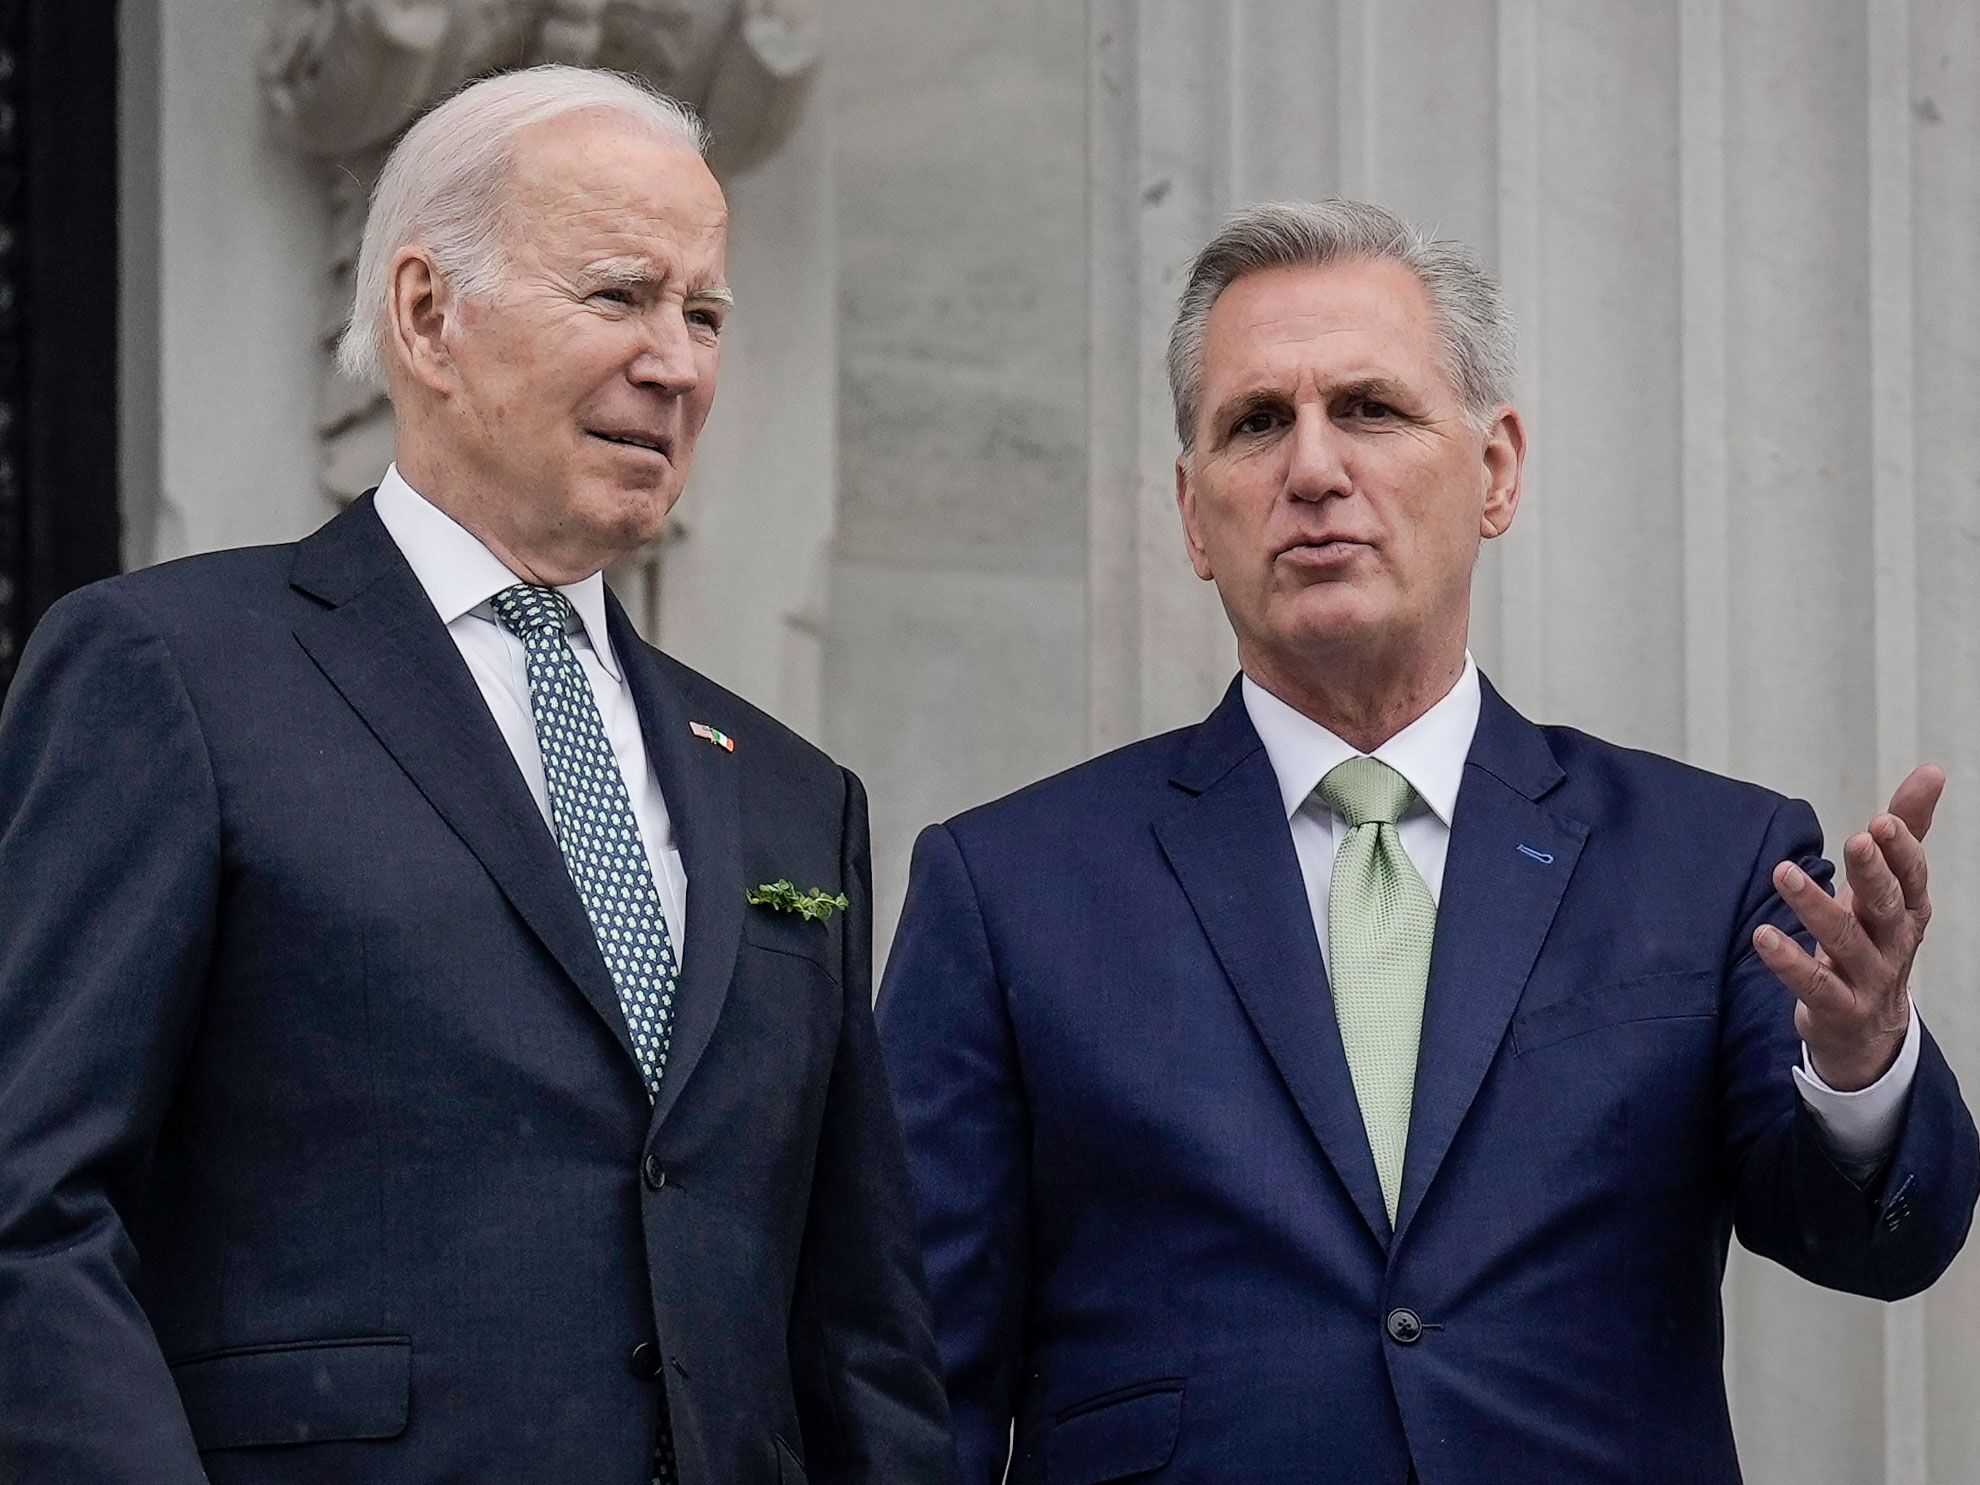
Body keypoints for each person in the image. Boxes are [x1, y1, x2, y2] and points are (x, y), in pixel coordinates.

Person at [877, 199, 1979, 1484]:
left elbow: (1877, 1245)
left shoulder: (1711, 861)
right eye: (1256, 424)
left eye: (1370, 409)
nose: (1312, 470)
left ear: (1496, 470)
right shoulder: (1009, 890)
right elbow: (915, 1380)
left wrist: (1859, 1066)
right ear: (1191, 512)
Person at [0, 67, 954, 1485]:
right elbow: (30, 1212)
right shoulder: (173, 673)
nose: (678, 365)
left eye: (704, 315)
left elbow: (857, 1335)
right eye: (620, 295)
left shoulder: (791, 795)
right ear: (427, 314)